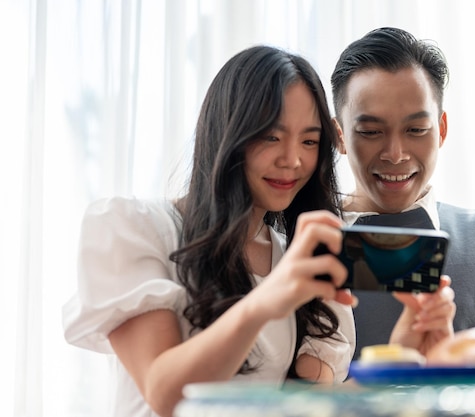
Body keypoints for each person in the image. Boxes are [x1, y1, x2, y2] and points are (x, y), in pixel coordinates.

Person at [62, 45, 357, 417]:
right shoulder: (138, 228)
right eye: (270, 136)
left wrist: (406, 344)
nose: (293, 159)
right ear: (228, 131)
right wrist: (264, 303)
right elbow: (165, 395)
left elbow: (298, 407)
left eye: (310, 141)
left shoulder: (291, 257)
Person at [330, 27, 475, 367]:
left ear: (441, 130)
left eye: (416, 130)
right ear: (340, 136)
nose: (395, 154)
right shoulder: (307, 251)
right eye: (371, 132)